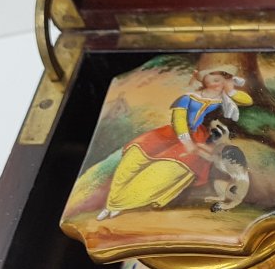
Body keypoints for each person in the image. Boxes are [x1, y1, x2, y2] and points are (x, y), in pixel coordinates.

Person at [96, 65, 254, 220]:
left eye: (222, 77)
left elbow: (248, 101)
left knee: (163, 173)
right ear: (203, 79)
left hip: (200, 140)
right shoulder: (188, 98)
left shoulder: (224, 101)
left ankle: (117, 205)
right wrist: (186, 141)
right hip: (172, 135)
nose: (216, 79)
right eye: (212, 75)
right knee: (132, 158)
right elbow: (178, 120)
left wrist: (230, 90)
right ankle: (111, 203)